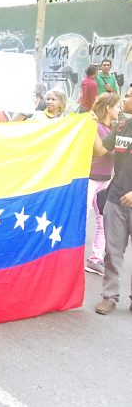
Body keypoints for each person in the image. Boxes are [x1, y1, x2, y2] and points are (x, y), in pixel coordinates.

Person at [92, 87, 132, 315]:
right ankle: (109, 296)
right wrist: (90, 123)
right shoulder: (121, 127)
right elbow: (99, 150)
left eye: (129, 96)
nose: (125, 99)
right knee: (113, 252)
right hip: (116, 199)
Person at [85, 93, 121, 276]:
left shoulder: (114, 128)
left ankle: (95, 259)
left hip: (105, 180)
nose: (119, 109)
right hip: (89, 179)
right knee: (81, 219)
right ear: (108, 108)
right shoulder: (95, 126)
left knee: (103, 221)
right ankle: (70, 256)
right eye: (117, 106)